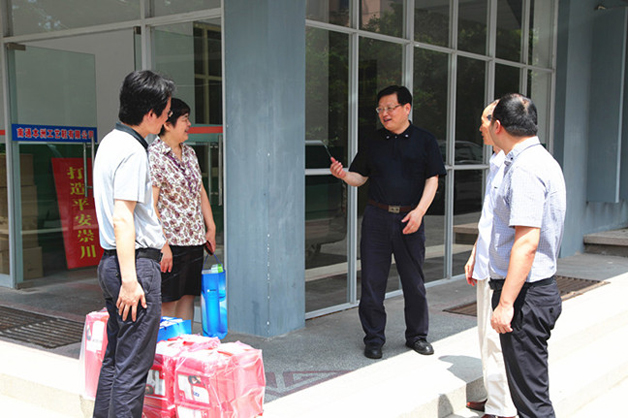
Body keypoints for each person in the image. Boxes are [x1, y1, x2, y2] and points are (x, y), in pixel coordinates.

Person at [330, 85, 446, 359]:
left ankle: (417, 336)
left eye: (390, 108)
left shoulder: (425, 140)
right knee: (372, 281)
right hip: (377, 218)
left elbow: (432, 180)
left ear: (407, 108)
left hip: (410, 217)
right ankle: (373, 338)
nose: (384, 114)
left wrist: (419, 212)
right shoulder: (373, 140)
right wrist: (343, 175)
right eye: (380, 109)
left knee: (413, 282)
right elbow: (360, 177)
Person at [93, 70, 174, 418]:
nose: (168, 119)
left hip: (111, 262)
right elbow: (123, 217)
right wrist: (131, 281)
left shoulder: (110, 142)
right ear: (150, 113)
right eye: (166, 112)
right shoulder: (133, 152)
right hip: (134, 266)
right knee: (132, 368)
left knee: (115, 360)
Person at [488, 93, 566, 418]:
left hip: (525, 297)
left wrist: (506, 304)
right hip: (533, 292)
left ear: (498, 126)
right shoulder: (541, 160)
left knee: (532, 404)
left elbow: (527, 242)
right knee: (530, 395)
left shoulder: (525, 169)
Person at [464, 101, 516, 418]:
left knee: (497, 340)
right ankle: (495, 397)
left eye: (485, 120)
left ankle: (502, 409)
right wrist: (474, 253)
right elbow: (490, 219)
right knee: (485, 336)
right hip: (487, 262)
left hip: (502, 268)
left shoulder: (514, 165)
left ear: (498, 124)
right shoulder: (496, 161)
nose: (480, 127)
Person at [148, 97, 217, 322]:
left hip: (195, 240)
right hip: (172, 243)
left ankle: (185, 342)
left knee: (188, 296)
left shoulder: (190, 153)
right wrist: (163, 245)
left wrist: (210, 227)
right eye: (185, 119)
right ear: (168, 124)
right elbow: (152, 204)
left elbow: (200, 191)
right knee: (169, 300)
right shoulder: (155, 156)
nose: (189, 125)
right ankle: (166, 343)